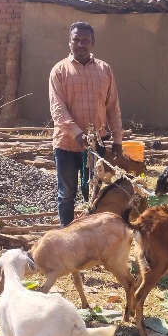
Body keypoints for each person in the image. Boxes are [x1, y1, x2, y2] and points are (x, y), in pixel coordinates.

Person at [49, 21, 123, 226]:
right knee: (66, 194)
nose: (81, 44)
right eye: (76, 40)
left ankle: (91, 236)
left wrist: (117, 139)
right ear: (70, 42)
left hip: (95, 144)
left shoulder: (104, 70)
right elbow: (57, 109)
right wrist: (76, 133)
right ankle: (66, 235)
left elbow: (112, 107)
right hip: (66, 145)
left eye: (85, 40)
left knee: (93, 193)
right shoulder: (59, 71)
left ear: (93, 42)